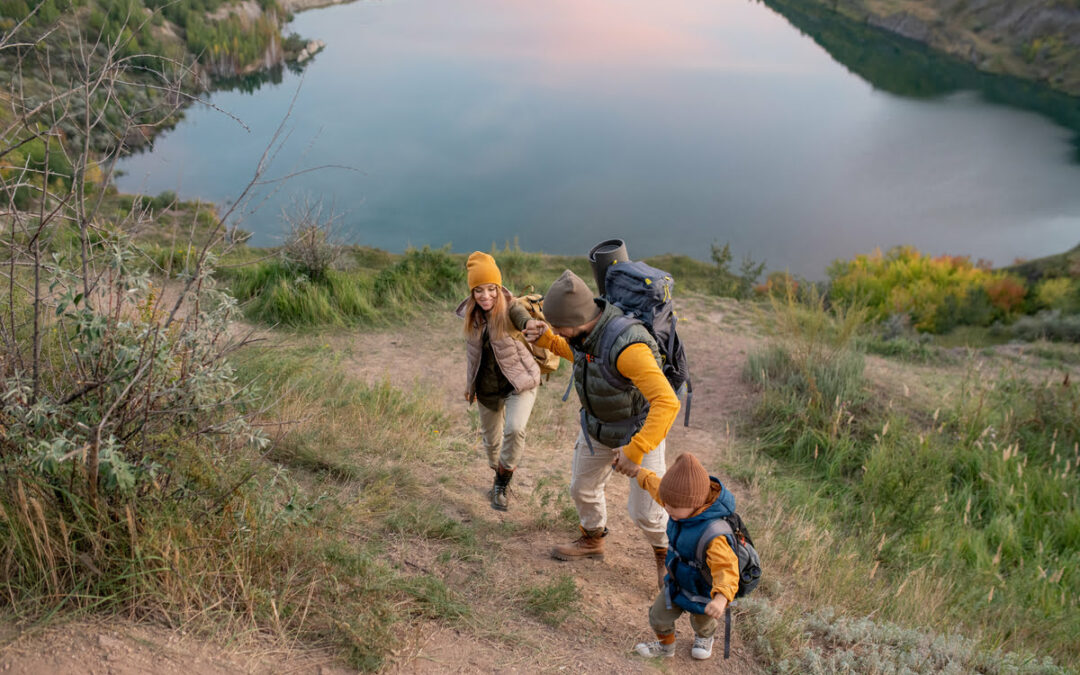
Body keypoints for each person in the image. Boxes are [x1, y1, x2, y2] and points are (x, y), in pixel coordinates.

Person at [522, 269, 680, 589]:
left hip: (638, 432)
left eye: (558, 327)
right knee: (581, 488)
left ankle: (667, 560)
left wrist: (636, 451)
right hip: (597, 429)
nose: (556, 332)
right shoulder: (585, 332)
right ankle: (593, 539)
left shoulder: (629, 348)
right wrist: (548, 339)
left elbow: (667, 402)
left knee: (646, 513)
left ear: (578, 321)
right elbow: (581, 354)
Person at [625, 452, 739, 661]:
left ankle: (705, 637)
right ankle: (666, 647)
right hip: (677, 581)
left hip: (704, 588)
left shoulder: (714, 535)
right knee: (658, 617)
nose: (668, 510)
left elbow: (727, 569)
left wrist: (721, 598)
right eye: (666, 505)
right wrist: (638, 472)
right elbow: (655, 486)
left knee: (702, 620)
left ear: (696, 504)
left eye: (673, 508)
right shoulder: (677, 503)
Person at [456, 251, 540, 511]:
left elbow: (523, 319)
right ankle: (498, 474)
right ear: (472, 292)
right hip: (487, 388)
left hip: (519, 383)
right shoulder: (471, 316)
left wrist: (531, 326)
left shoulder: (511, 306)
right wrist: (470, 388)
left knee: (514, 429)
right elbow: (472, 358)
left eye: (491, 289)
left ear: (498, 287)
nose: (486, 296)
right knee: (492, 444)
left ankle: (502, 484)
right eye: (478, 290)